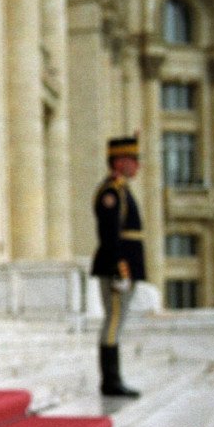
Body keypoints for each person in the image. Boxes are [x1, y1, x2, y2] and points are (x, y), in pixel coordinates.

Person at [91, 135, 144, 398]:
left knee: (117, 321)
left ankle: (113, 380)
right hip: (117, 267)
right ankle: (110, 381)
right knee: (113, 321)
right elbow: (110, 234)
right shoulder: (111, 192)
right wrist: (119, 269)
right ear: (120, 161)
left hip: (126, 266)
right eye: (133, 160)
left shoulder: (122, 190)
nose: (137, 165)